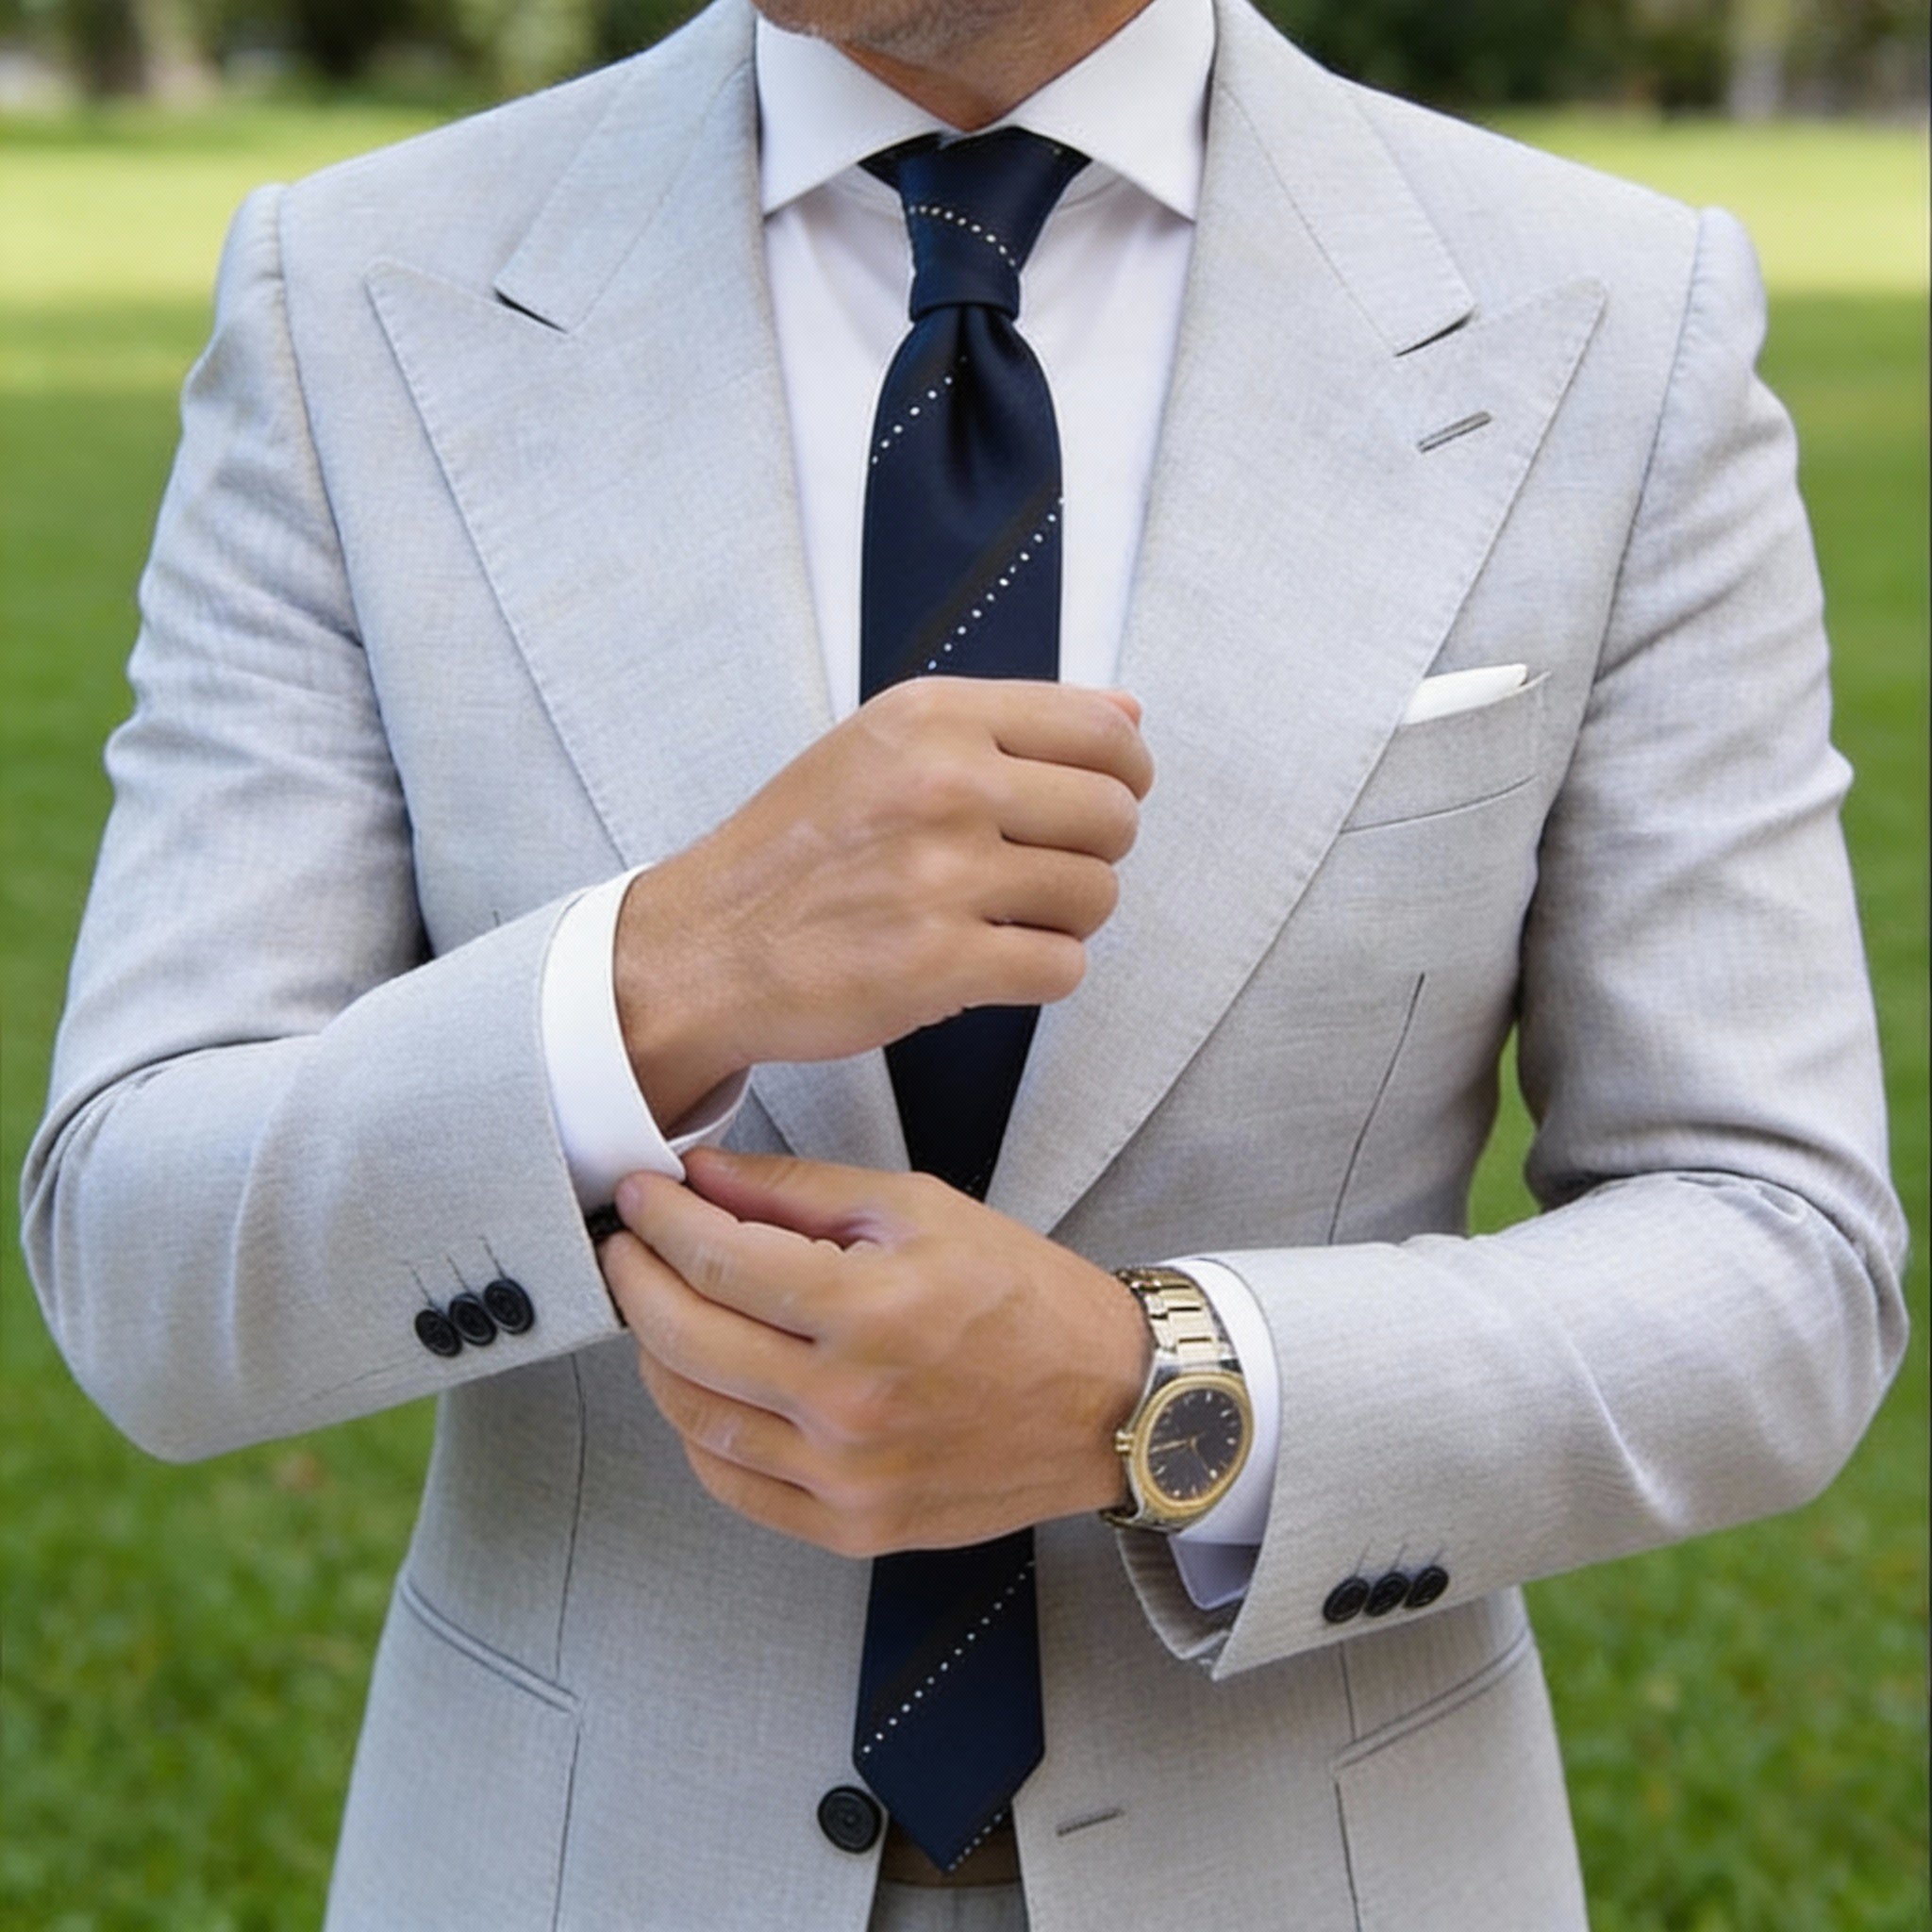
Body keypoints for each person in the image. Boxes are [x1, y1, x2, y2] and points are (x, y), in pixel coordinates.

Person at [21, 0, 1907, 1924]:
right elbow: (139, 1255)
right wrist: (656, 980)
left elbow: (1777, 1253)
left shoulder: (1610, 315)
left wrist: (1156, 1390)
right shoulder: (351, 298)